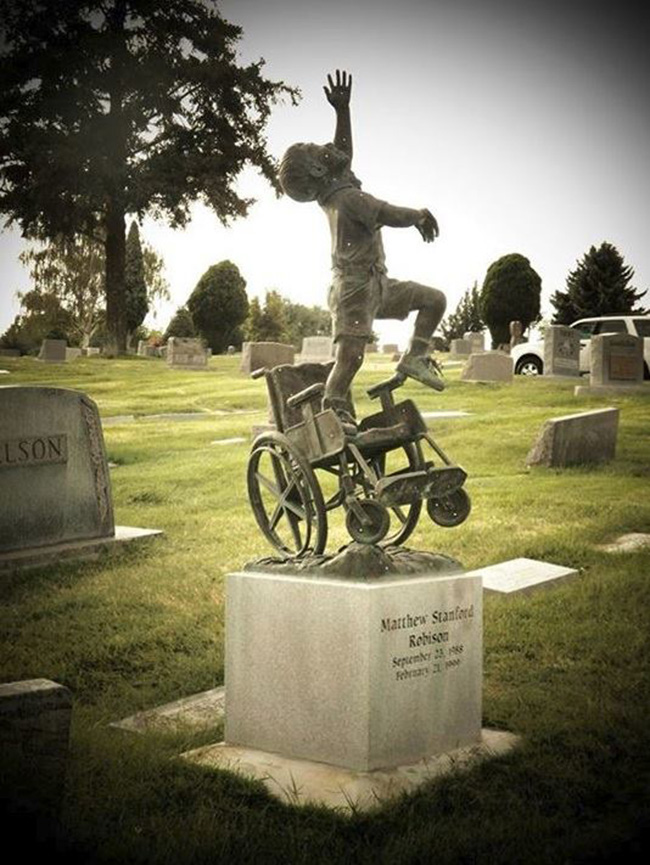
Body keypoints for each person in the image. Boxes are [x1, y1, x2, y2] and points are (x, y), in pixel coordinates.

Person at [278, 70, 447, 430]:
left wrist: (343, 110)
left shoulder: (335, 191)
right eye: (314, 148)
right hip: (354, 290)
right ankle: (333, 403)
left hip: (376, 285)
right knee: (351, 357)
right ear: (319, 169)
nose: (325, 146)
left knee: (434, 299)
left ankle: (415, 358)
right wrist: (419, 215)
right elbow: (387, 213)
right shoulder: (349, 200)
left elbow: (342, 155)